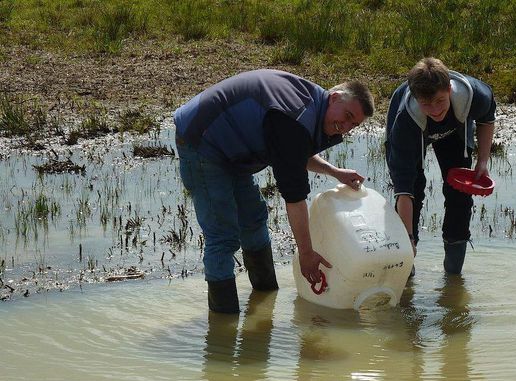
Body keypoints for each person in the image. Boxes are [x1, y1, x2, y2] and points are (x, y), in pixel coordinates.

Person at [174, 69, 374, 313]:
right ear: (334, 98)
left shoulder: (311, 108)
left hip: (233, 149)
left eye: (353, 124)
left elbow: (293, 151)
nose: (345, 127)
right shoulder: (295, 116)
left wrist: (334, 171)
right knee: (222, 236)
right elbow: (294, 196)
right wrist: (307, 254)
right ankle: (223, 330)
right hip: (202, 140)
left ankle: (265, 303)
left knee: (254, 220)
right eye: (347, 116)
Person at [385, 57, 496, 275]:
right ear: (417, 99)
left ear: (449, 89)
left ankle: (453, 275)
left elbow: (487, 118)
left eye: (440, 101)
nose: (435, 110)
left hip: (454, 129)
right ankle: (406, 268)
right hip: (416, 131)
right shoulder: (404, 124)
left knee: (460, 194)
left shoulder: (474, 95)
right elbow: (404, 193)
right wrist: (408, 239)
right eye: (426, 104)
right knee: (414, 188)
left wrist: (483, 161)